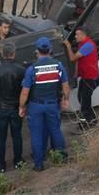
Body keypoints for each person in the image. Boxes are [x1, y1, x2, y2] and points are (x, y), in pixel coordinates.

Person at [19, 37, 70, 171]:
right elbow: (65, 86)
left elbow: (25, 92)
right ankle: (61, 158)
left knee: (36, 134)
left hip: (35, 106)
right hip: (52, 104)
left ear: (37, 51)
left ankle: (39, 164)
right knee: (55, 130)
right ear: (50, 50)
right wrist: (65, 100)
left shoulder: (32, 69)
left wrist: (22, 106)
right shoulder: (58, 65)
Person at [0, 42, 26, 173]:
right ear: (13, 54)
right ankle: (18, 161)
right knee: (17, 135)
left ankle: (1, 164)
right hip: (15, 108)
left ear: (2, 54)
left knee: (1, 137)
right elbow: (25, 91)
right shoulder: (20, 70)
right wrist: (24, 106)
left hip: (0, 109)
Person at [63, 27, 99, 129]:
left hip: (91, 78)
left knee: (84, 101)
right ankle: (92, 119)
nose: (75, 36)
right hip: (86, 77)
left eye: (77, 34)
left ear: (83, 35)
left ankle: (85, 124)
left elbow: (73, 58)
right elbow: (79, 61)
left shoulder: (88, 45)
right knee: (82, 98)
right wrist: (75, 74)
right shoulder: (83, 44)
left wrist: (68, 46)